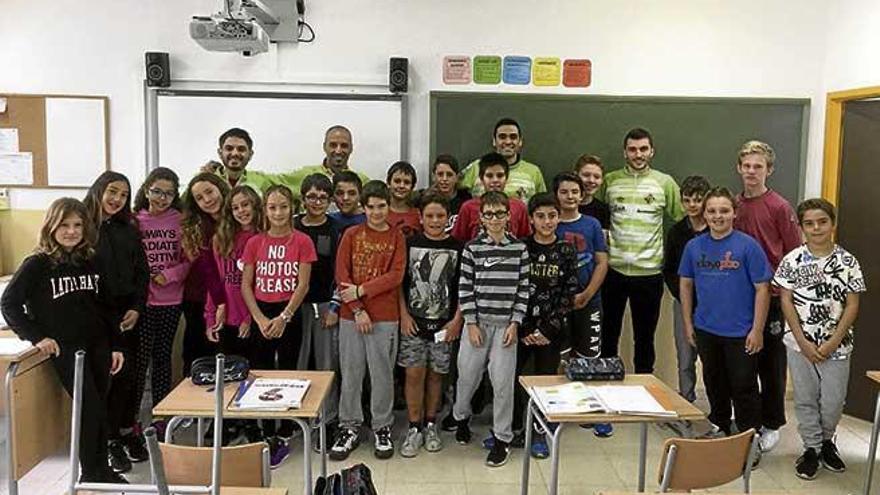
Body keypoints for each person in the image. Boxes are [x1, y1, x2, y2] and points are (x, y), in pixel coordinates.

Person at [1, 198, 126, 484]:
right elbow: (9, 303)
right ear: (51, 226)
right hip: (68, 350)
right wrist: (37, 336)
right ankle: (91, 473)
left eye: (78, 225)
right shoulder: (37, 264)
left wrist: (117, 345)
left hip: (98, 345)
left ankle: (100, 468)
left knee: (100, 408)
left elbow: (108, 307)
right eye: (65, 225)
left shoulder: (91, 259)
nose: (72, 231)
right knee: (88, 408)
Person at [679, 187, 771, 462]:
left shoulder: (748, 246)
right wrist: (688, 323)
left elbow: (763, 289)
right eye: (712, 211)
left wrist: (757, 329)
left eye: (724, 210)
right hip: (707, 329)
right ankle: (719, 426)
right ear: (704, 214)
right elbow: (685, 284)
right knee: (714, 382)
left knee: (743, 386)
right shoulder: (694, 246)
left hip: (741, 332)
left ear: (734, 213)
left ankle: (748, 439)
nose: (718, 216)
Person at [775, 198, 865, 480]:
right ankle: (812, 448)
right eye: (809, 224)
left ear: (832, 224)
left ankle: (827, 440)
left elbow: (852, 304)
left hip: (837, 345)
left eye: (822, 222)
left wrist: (833, 341)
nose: (816, 228)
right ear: (801, 227)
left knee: (833, 401)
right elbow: (786, 301)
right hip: (799, 344)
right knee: (805, 398)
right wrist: (801, 340)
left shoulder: (847, 261)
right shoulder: (792, 260)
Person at [452, 191, 530, 468]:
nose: (494, 219)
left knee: (502, 384)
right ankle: (461, 417)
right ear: (481, 217)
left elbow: (523, 290)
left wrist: (515, 323)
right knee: (467, 378)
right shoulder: (472, 249)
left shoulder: (519, 249)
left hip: (505, 328)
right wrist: (471, 323)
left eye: (500, 213)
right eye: (489, 214)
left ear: (509, 216)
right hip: (477, 325)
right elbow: (464, 288)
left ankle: (502, 438)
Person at [733, 140, 802, 452]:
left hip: (773, 298)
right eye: (746, 165)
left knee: (771, 364)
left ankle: (772, 423)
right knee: (743, 360)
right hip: (740, 297)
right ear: (739, 168)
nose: (751, 171)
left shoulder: (780, 207)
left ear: (769, 170)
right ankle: (749, 419)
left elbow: (793, 255)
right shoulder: (733, 205)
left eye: (757, 166)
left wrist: (787, 299)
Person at [240, 184, 315, 467]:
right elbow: (247, 285)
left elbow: (303, 283)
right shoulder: (255, 243)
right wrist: (259, 318)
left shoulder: (302, 241)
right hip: (261, 312)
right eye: (272, 207)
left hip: (288, 312)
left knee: (286, 370)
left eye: (283, 206)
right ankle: (265, 430)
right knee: (260, 371)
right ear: (265, 210)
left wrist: (284, 317)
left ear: (292, 208)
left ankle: (284, 427)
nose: (279, 212)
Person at [331, 181, 406, 461]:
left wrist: (363, 290)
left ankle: (382, 427)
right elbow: (342, 273)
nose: (376, 212)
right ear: (363, 208)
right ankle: (348, 426)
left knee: (382, 374)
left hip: (386, 316)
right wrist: (358, 308)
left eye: (381, 206)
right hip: (352, 316)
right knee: (351, 373)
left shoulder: (397, 237)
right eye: (371, 207)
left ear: (389, 206)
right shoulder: (351, 234)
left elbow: (396, 276)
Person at [599, 127, 684, 373]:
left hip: (649, 274)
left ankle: (643, 390)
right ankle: (607, 387)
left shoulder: (664, 182)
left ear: (652, 151)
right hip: (613, 272)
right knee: (608, 336)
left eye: (643, 149)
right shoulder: (610, 181)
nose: (638, 154)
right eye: (633, 149)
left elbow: (683, 221)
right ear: (625, 152)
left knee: (644, 340)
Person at [83, 171, 150, 474]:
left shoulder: (128, 227)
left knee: (131, 376)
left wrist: (137, 307)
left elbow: (142, 272)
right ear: (99, 190)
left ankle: (126, 431)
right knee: (108, 378)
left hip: (129, 313)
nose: (117, 199)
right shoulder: (81, 227)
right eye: (112, 192)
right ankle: (109, 441)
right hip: (98, 315)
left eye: (123, 195)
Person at [512, 192, 578, 458]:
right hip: (522, 328)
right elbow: (514, 288)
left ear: (559, 218)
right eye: (540, 216)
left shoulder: (566, 250)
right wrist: (526, 329)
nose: (547, 221)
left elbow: (568, 293)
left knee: (545, 380)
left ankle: (540, 431)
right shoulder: (521, 248)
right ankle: (516, 428)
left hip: (552, 330)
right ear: (531, 219)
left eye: (552, 216)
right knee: (516, 379)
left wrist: (547, 330)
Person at [398, 193, 463, 458]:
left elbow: (463, 288)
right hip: (414, 323)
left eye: (440, 216)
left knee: (436, 376)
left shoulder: (459, 247)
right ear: (421, 218)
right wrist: (404, 315)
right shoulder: (409, 244)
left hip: (444, 325)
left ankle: (431, 423)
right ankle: (414, 427)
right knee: (414, 374)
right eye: (430, 216)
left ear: (448, 218)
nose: (435, 220)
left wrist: (456, 320)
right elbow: (399, 285)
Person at [132, 167, 191, 439]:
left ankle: (161, 415)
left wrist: (167, 275)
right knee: (139, 359)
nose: (162, 198)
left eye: (168, 193)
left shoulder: (180, 221)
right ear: (146, 190)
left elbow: (189, 260)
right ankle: (132, 418)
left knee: (162, 358)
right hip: (142, 303)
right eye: (157, 191)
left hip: (171, 300)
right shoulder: (135, 221)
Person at [553, 172, 611, 437]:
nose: (570, 197)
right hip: (558, 304)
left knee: (589, 356)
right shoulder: (550, 223)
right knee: (561, 357)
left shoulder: (592, 225)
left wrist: (587, 293)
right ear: (557, 195)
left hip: (590, 300)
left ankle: (592, 409)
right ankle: (560, 409)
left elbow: (601, 262)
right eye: (564, 192)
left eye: (574, 192)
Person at [293, 174, 342, 452]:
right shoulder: (292, 226)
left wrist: (335, 306)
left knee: (326, 365)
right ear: (303, 199)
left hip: (325, 306)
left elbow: (341, 272)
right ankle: (298, 417)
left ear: (330, 200)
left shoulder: (335, 230)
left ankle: (328, 419)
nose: (317, 202)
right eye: (311, 197)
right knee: (299, 363)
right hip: (295, 307)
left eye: (323, 197)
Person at [663, 175, 711, 404]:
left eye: (698, 200)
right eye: (687, 200)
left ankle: (718, 408)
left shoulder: (717, 228)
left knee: (713, 358)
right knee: (685, 357)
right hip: (684, 303)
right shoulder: (676, 232)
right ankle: (686, 401)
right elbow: (669, 269)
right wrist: (683, 296)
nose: (693, 205)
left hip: (715, 305)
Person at [180, 173, 230, 375]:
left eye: (209, 192)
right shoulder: (196, 226)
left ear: (220, 188)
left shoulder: (239, 216)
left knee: (225, 353)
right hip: (199, 298)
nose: (207, 200)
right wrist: (218, 303)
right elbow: (208, 269)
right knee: (196, 354)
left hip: (232, 298)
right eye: (200, 198)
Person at [459, 118, 547, 201]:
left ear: (520, 142)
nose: (508, 142)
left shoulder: (534, 172)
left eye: (513, 137)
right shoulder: (476, 167)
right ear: (494, 141)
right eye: (502, 137)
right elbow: (452, 190)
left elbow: (543, 205)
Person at [451, 153, 531, 242]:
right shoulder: (468, 207)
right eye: (489, 176)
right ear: (481, 178)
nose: (495, 180)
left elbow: (526, 240)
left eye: (500, 175)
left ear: (507, 178)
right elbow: (458, 241)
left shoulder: (519, 207)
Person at [286, 125, 371, 197]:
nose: (338, 151)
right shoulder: (306, 175)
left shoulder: (362, 181)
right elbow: (274, 181)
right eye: (333, 145)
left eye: (344, 146)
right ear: (324, 147)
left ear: (351, 148)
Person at [207, 128, 289, 193]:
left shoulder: (261, 181)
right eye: (229, 148)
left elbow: (293, 182)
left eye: (241, 149)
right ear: (220, 153)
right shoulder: (206, 181)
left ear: (250, 154)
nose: (235, 153)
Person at [421, 154, 472, 232]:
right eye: (440, 174)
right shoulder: (422, 200)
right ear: (433, 176)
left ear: (457, 177)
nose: (444, 179)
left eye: (449, 175)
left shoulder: (466, 201)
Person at [386, 160, 422, 238]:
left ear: (412, 187)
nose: (401, 186)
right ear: (388, 183)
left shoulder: (418, 215)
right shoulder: (379, 212)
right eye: (397, 181)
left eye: (406, 182)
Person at [574, 154, 610, 229]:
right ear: (576, 175)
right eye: (586, 175)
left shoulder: (603, 211)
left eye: (597, 177)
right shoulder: (560, 207)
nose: (591, 180)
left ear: (602, 180)